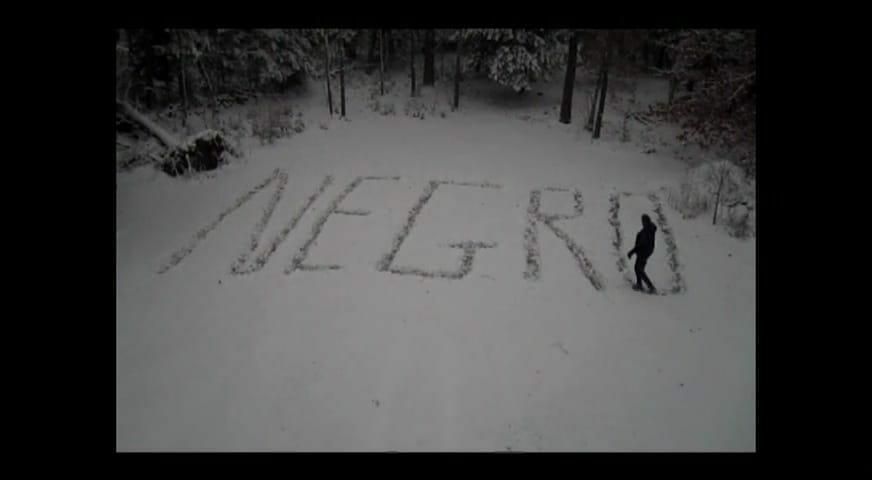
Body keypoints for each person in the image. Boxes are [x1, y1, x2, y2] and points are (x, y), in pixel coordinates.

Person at [628, 214, 657, 294]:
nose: (642, 223)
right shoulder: (648, 229)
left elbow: (641, 244)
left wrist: (632, 251)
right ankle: (639, 284)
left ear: (646, 221)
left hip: (644, 252)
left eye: (643, 221)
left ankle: (651, 287)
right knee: (637, 268)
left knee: (639, 269)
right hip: (644, 251)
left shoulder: (647, 231)